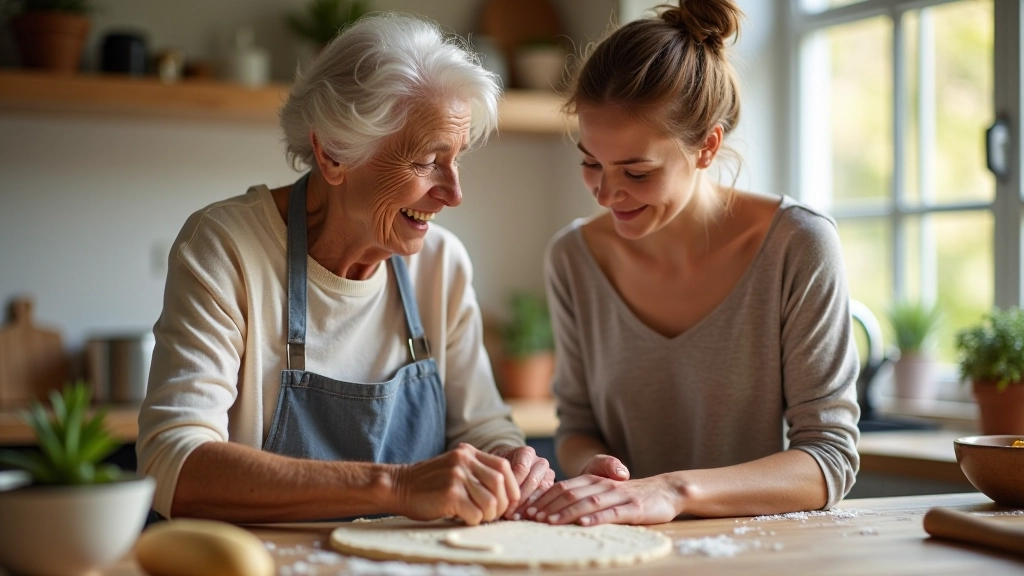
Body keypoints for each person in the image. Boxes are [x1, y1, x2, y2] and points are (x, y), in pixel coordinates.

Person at [137, 13, 553, 525]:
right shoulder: (227, 249)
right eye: (426, 161)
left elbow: (484, 429)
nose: (454, 193)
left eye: (457, 158)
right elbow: (172, 464)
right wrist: (395, 487)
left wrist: (511, 461)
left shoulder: (441, 265)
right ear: (333, 153)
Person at [525, 0, 860, 526]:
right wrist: (593, 468)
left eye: (636, 172)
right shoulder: (572, 258)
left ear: (707, 147)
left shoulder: (798, 244)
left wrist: (674, 491)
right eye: (591, 163)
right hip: (620, 550)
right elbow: (576, 426)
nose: (606, 194)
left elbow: (829, 460)